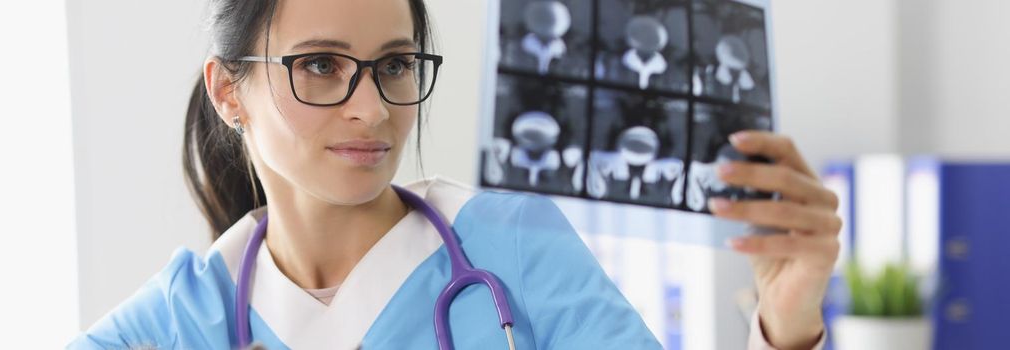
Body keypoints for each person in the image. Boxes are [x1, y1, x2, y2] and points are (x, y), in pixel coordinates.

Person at [69, 0, 840, 349]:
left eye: (395, 65)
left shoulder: (512, 246)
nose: (370, 108)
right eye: (321, 66)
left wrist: (785, 324)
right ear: (228, 90)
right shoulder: (184, 314)